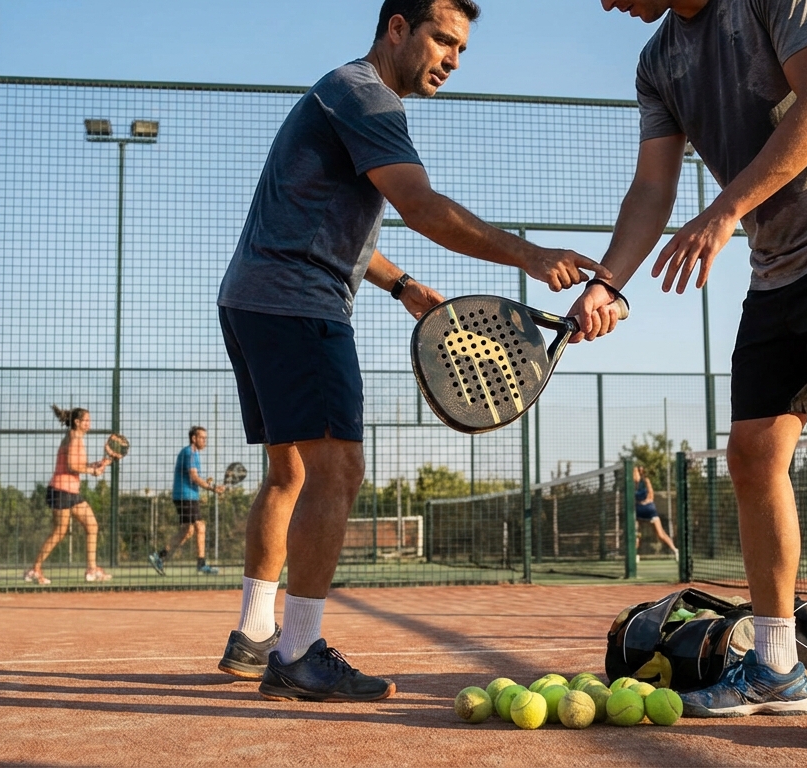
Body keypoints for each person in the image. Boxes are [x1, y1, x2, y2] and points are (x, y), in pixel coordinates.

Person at [214, 0, 610, 702]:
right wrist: (530, 253)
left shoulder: (338, 90)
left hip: (250, 296)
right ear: (398, 27)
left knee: (289, 475)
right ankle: (299, 650)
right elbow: (422, 207)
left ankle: (253, 634)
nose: (452, 58)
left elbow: (325, 214)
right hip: (300, 303)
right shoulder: (369, 97)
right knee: (338, 469)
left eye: (461, 48)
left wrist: (400, 286)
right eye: (442, 39)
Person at [572, 0, 807, 747]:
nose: (606, 2)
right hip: (778, 272)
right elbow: (652, 188)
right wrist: (607, 282)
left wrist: (727, 208)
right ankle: (775, 666)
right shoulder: (656, 61)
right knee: (751, 457)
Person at [24, 406, 114, 584]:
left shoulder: (77, 437)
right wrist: (92, 472)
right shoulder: (74, 438)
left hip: (72, 492)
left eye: (90, 420)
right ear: (77, 422)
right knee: (59, 532)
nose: (89, 423)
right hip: (61, 491)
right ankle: (34, 570)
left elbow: (78, 463)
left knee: (92, 526)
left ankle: (91, 569)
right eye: (86, 420)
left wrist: (97, 464)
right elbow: (73, 466)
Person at [150, 427, 226, 576]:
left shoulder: (193, 453)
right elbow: (194, 477)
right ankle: (201, 565)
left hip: (187, 496)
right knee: (200, 526)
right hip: (186, 497)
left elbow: (193, 478)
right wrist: (212, 488)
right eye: (202, 438)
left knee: (188, 530)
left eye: (206, 438)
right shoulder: (190, 452)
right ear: (194, 438)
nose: (205, 441)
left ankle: (159, 557)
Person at [633, 464, 679, 559]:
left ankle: (675, 550)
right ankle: (634, 555)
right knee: (636, 534)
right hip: (639, 512)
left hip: (649, 510)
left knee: (660, 534)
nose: (633, 474)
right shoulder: (632, 485)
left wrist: (647, 501)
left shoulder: (645, 481)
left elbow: (651, 493)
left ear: (639, 472)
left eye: (635, 472)